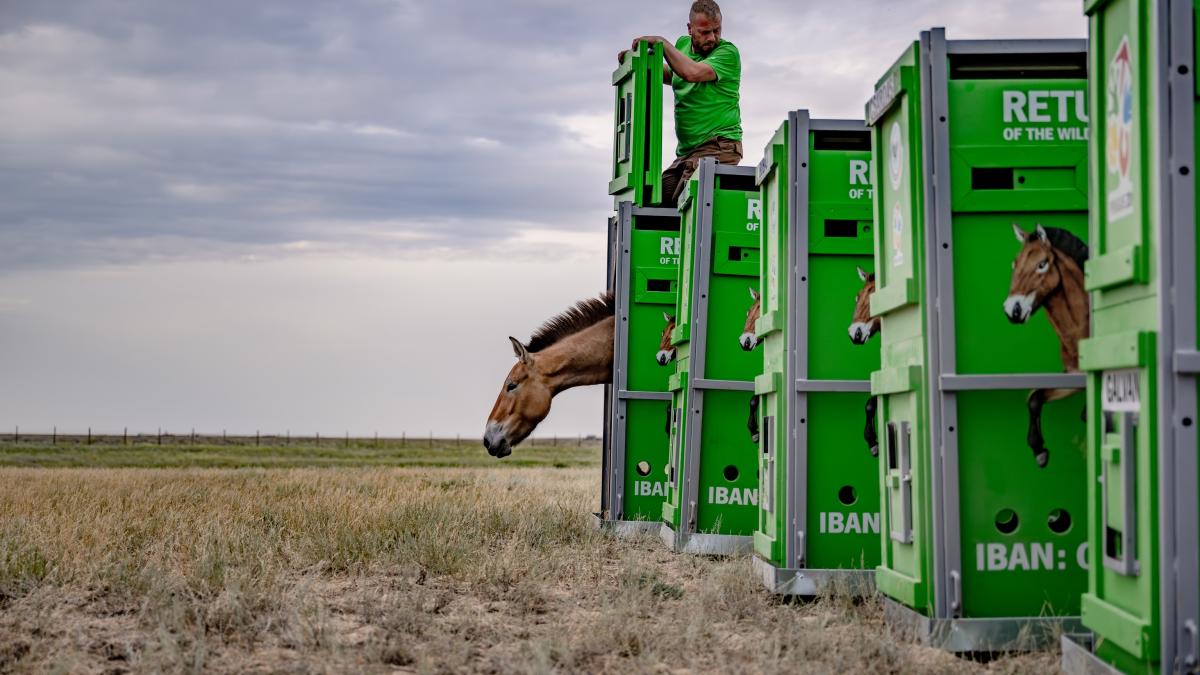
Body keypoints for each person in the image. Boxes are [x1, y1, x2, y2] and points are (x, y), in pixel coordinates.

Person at [620, 0, 743, 206]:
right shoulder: (683, 45)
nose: (712, 38)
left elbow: (691, 73)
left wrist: (662, 43)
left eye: (717, 30)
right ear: (690, 29)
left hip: (718, 146)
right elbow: (674, 74)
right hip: (687, 152)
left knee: (686, 207)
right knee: (653, 201)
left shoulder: (728, 53)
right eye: (704, 32)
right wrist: (639, 63)